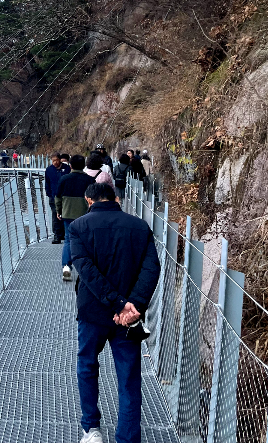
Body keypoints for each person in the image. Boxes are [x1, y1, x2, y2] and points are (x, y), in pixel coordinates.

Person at [68, 182, 161, 443]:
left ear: (89, 201)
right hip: (129, 319)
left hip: (93, 313)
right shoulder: (140, 226)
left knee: (87, 366)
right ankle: (128, 437)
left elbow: (85, 269)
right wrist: (133, 305)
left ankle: (92, 429)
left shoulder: (78, 228)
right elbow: (152, 268)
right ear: (116, 199)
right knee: (129, 376)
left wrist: (117, 303)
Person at [54, 154, 93, 282]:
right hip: (86, 215)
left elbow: (58, 197)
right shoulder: (90, 180)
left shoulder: (64, 179)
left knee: (68, 240)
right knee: (86, 241)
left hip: (68, 213)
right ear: (84, 166)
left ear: (70, 165)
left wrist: (59, 211)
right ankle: (85, 269)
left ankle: (66, 267)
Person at [45, 152, 68, 244]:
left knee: (65, 214)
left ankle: (64, 234)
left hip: (65, 196)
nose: (55, 162)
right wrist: (49, 194)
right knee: (55, 215)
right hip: (54, 196)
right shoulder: (49, 170)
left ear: (60, 160)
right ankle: (57, 236)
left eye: (56, 160)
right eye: (53, 161)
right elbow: (47, 183)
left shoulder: (66, 169)